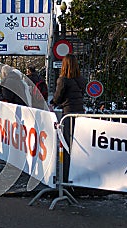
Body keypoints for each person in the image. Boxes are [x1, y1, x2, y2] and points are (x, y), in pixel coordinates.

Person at [50, 54, 86, 182]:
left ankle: (66, 177)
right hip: (80, 113)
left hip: (68, 114)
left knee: (66, 145)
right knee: (78, 145)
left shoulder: (63, 80)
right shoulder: (81, 79)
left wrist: (53, 103)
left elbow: (58, 97)